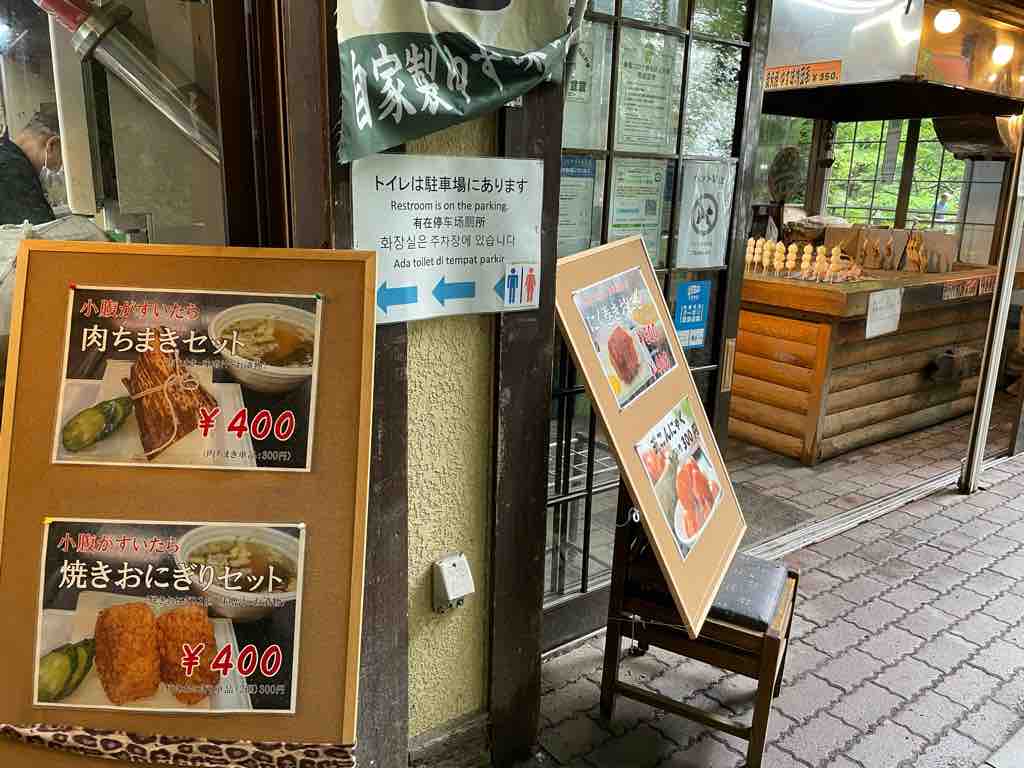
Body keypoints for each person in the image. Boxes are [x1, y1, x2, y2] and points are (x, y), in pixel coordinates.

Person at [0, 108, 61, 226]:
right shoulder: (12, 171)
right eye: (61, 163)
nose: (59, 169)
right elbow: (42, 232)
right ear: (51, 144)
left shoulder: (7, 155)